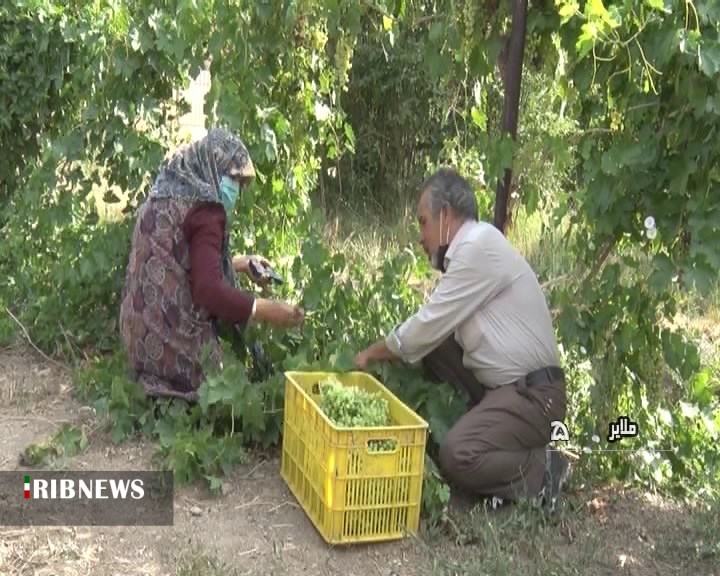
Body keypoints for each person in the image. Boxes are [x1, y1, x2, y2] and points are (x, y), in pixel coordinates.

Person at [354, 167, 570, 510]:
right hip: (509, 390)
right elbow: (433, 335)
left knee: (457, 454)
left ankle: (543, 470)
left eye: (423, 222)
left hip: (534, 398)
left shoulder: (478, 247)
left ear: (445, 216)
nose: (420, 237)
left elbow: (424, 326)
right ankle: (486, 429)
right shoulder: (472, 252)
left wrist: (370, 354)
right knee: (437, 346)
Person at [119, 128, 305, 402]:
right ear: (213, 166)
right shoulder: (207, 211)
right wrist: (266, 309)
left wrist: (239, 264)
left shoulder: (167, 190)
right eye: (235, 179)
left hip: (137, 336)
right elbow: (209, 290)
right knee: (234, 385)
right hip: (169, 343)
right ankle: (182, 386)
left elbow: (177, 260)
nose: (238, 191)